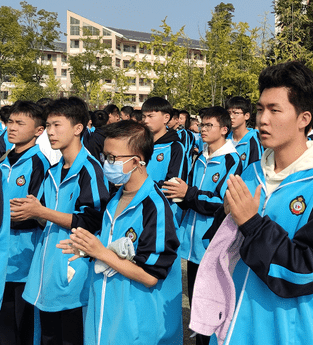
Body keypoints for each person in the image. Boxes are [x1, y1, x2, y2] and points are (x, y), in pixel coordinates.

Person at [216, 61, 313, 345]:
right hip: (238, 327)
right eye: (261, 108)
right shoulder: (251, 172)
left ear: (304, 118)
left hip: (292, 332)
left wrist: (252, 224)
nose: (262, 119)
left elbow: (308, 269)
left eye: (275, 110)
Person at [58, 120, 182, 344]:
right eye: (104, 156)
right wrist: (88, 249)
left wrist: (101, 253)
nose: (106, 163)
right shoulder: (116, 198)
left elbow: (150, 276)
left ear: (136, 161)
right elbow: (113, 248)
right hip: (107, 314)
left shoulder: (155, 208)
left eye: (112, 158)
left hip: (136, 324)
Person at [14, 97, 109, 345]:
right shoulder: (53, 170)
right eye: (48, 126)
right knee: (48, 335)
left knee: (71, 335)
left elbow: (93, 220)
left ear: (79, 128)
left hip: (73, 269)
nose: (51, 132)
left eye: (57, 125)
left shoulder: (90, 169)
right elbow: (45, 218)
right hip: (48, 269)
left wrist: (42, 212)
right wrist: (32, 212)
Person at [164, 107, 242, 345]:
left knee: (213, 301)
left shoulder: (232, 160)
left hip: (212, 241)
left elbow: (222, 203)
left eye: (209, 125)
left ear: (224, 130)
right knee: (196, 299)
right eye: (202, 125)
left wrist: (189, 194)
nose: (203, 129)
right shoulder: (199, 157)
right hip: (190, 243)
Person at [0, 102, 50, 345]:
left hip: (24, 259)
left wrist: (8, 215)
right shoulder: (3, 160)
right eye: (10, 121)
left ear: (39, 131)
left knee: (24, 325)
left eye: (20, 123)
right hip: (3, 258)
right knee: (5, 323)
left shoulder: (39, 164)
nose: (12, 128)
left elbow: (29, 212)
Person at [140, 97, 188, 187]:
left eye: (150, 116)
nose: (145, 121)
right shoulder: (139, 144)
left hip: (160, 200)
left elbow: (173, 185)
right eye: (144, 116)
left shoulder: (175, 147)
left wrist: (141, 187)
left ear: (166, 118)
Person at [225, 96, 263, 171]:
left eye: (236, 113)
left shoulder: (254, 140)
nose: (231, 117)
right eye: (229, 113)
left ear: (247, 116)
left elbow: (255, 171)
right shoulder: (225, 139)